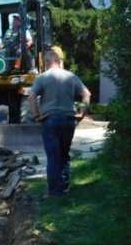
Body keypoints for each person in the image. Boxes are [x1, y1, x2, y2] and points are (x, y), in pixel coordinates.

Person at [28, 49, 91, 197]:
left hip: (50, 120)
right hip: (69, 120)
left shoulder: (42, 78)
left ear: (48, 63)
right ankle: (64, 187)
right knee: (64, 154)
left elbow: (31, 97)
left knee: (53, 156)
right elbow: (86, 94)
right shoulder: (71, 76)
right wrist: (82, 113)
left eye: (45, 63)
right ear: (58, 61)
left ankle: (55, 192)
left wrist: (36, 116)